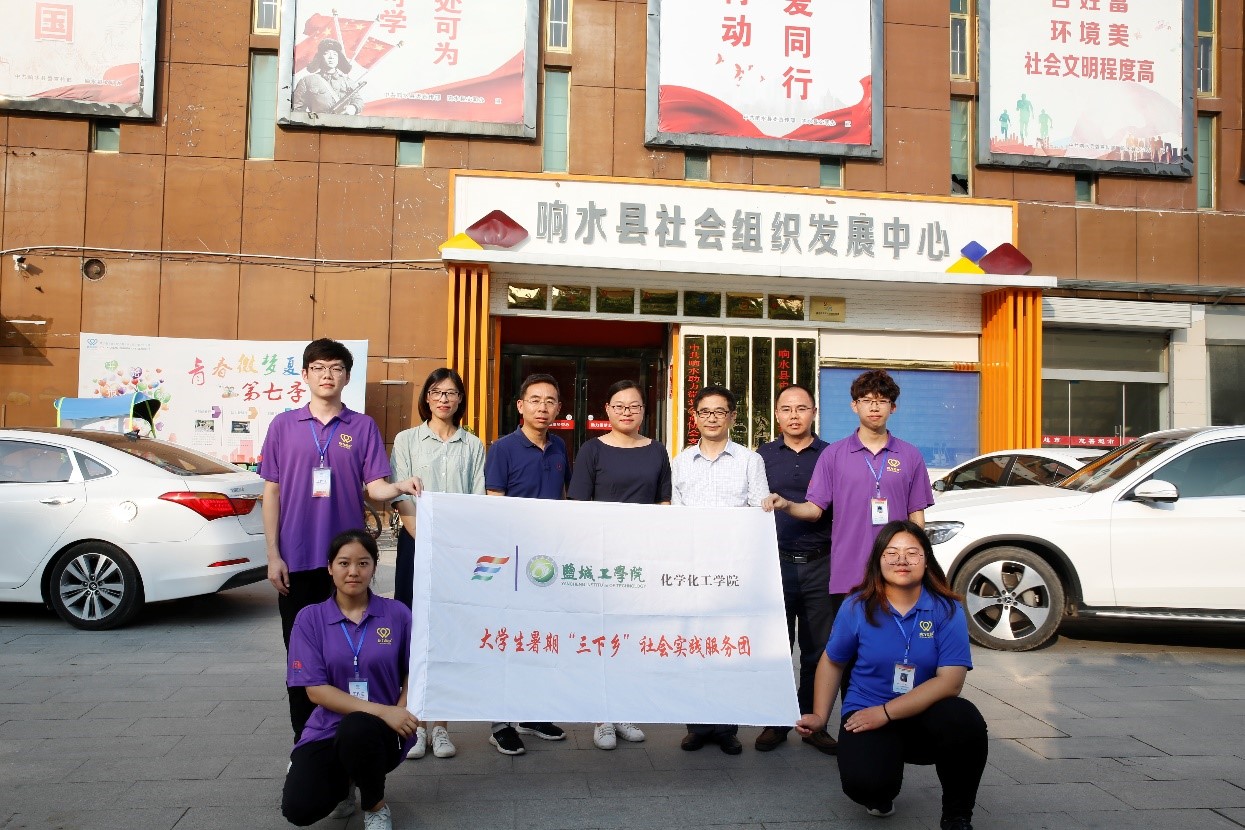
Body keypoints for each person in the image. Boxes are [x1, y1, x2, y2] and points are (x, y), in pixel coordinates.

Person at [261, 338, 422, 744]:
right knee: (301, 660)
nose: (327, 375)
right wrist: (273, 555)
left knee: (353, 655)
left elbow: (375, 487)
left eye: (335, 368)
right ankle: (305, 742)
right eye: (318, 367)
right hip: (297, 560)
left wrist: (399, 486)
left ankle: (351, 739)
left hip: (349, 564)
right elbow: (272, 492)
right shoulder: (283, 426)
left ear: (347, 376)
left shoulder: (362, 427)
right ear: (305, 375)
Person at [795, 521, 987, 830]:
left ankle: (957, 816)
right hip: (867, 710)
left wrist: (886, 712)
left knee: (965, 720)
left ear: (927, 560)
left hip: (924, 712)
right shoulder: (856, 606)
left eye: (912, 553)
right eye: (892, 552)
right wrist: (820, 716)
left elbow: (950, 682)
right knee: (865, 784)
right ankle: (881, 791)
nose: (902, 560)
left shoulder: (946, 609)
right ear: (878, 560)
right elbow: (832, 661)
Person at [764, 369, 933, 622]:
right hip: (847, 572)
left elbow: (916, 518)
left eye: (882, 401)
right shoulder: (833, 454)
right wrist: (786, 504)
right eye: (867, 400)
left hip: (895, 569)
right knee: (848, 642)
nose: (874, 407)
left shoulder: (910, 455)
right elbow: (814, 509)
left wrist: (916, 560)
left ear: (893, 407)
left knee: (894, 639)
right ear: (854, 405)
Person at [281, 530, 420, 830]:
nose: (353, 571)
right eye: (344, 563)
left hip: (383, 731)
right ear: (330, 567)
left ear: (374, 567)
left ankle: (374, 805)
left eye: (363, 563)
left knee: (357, 728)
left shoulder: (397, 614)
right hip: (329, 728)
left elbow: (416, 669)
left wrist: (401, 709)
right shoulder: (310, 619)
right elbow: (316, 691)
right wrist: (384, 710)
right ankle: (345, 782)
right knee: (298, 808)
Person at [568, 379, 671, 750]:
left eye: (634, 406)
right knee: (602, 636)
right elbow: (578, 505)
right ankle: (602, 717)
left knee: (631, 635)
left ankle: (624, 710)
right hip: (602, 559)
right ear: (608, 410)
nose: (627, 412)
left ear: (644, 411)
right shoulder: (592, 450)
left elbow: (664, 504)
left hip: (640, 558)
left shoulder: (657, 451)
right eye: (620, 406)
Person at [389, 368, 484, 761]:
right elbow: (401, 497)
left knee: (446, 632)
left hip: (457, 551)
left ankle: (441, 726)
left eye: (451, 393)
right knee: (413, 630)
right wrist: (426, 540)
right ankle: (413, 723)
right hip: (416, 545)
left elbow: (477, 499)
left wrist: (452, 547)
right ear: (426, 397)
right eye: (437, 392)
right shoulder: (407, 440)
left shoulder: (473, 444)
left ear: (460, 399)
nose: (444, 399)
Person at [670, 385, 770, 755]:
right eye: (705, 412)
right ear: (694, 417)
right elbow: (675, 517)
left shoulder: (750, 461)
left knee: (729, 648)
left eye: (720, 412)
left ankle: (727, 727)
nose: (712, 418)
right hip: (693, 569)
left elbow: (759, 514)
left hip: (733, 570)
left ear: (732, 417)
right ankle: (697, 726)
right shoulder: (680, 462)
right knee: (695, 646)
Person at [482, 372, 571, 755]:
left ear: (559, 408)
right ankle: (500, 722)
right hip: (512, 560)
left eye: (550, 401)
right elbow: (494, 503)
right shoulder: (502, 448)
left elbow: (563, 498)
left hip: (547, 562)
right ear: (520, 405)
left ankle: (532, 713)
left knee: (540, 637)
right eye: (535, 400)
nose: (543, 407)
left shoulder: (560, 447)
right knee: (508, 637)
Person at [754, 383, 837, 755]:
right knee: (777, 648)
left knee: (818, 650)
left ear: (814, 413)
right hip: (775, 564)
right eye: (786, 409)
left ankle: (812, 721)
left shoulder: (832, 455)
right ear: (776, 414)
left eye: (801, 408)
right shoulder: (762, 456)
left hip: (822, 563)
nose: (794, 415)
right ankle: (776, 721)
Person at [292, 38, 363, 115]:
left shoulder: (347, 82)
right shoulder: (307, 81)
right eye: (327, 53)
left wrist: (354, 107)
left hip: (343, 121)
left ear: (338, 58)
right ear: (320, 57)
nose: (331, 57)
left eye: (335, 54)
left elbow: (357, 99)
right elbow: (297, 108)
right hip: (318, 121)